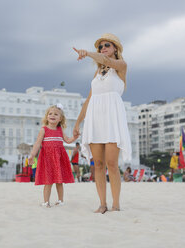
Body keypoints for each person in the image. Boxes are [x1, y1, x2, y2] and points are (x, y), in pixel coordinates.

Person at [73, 33, 131, 213]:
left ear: (115, 48)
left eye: (106, 45)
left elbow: (107, 61)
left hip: (112, 118)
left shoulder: (120, 66)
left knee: (112, 164)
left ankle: (116, 204)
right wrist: (77, 124)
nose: (103, 48)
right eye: (100, 47)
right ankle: (102, 204)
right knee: (97, 164)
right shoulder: (97, 73)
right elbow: (89, 99)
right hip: (95, 117)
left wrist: (88, 53)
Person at [28, 104, 77, 208]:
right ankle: (46, 202)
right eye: (50, 113)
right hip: (47, 159)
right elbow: (37, 143)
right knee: (48, 181)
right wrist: (32, 155)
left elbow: (68, 140)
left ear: (60, 118)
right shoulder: (44, 129)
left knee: (59, 181)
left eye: (56, 114)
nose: (52, 115)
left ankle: (60, 200)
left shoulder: (60, 130)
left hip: (59, 159)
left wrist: (75, 137)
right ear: (47, 116)